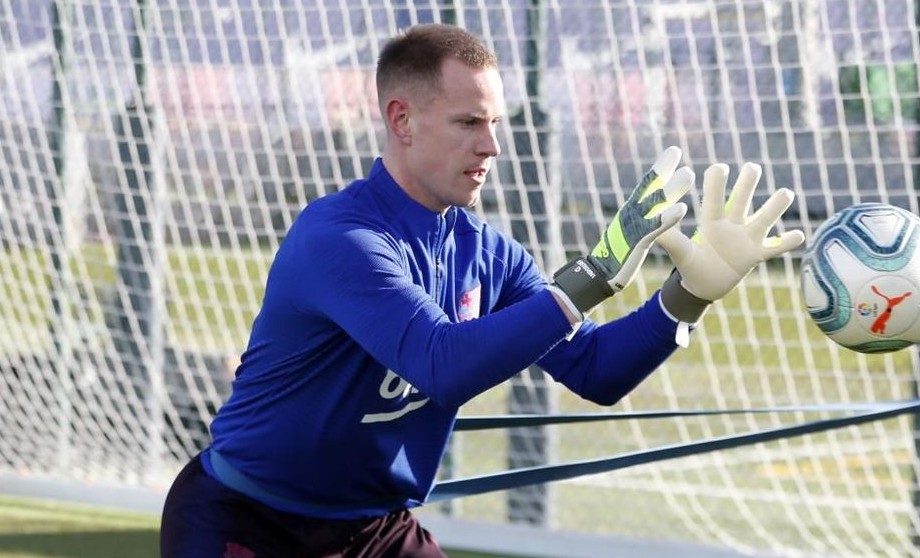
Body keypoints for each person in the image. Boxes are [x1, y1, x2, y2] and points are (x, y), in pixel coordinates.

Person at [160, 22, 805, 558]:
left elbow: (595, 370)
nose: (492, 145)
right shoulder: (339, 238)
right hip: (245, 523)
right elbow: (439, 363)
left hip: (377, 529)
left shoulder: (488, 254)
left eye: (495, 122)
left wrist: (686, 295)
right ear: (402, 120)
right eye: (470, 122)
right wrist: (594, 275)